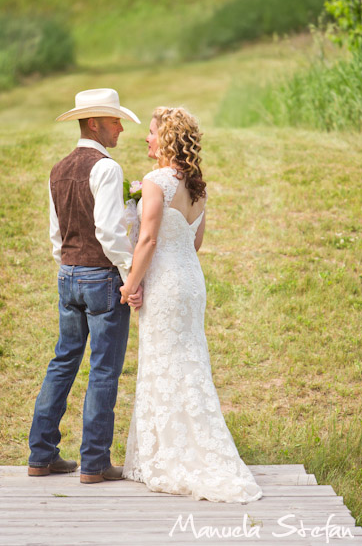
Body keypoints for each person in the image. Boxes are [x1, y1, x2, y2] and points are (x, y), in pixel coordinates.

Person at [119, 106, 263, 503]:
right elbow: (195, 243)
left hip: (164, 283)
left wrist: (130, 284)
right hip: (190, 280)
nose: (146, 138)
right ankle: (195, 447)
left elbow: (147, 241)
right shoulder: (198, 186)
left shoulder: (154, 182)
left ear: (166, 138)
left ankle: (166, 455)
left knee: (162, 361)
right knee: (189, 360)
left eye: (150, 133)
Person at [28, 88, 142, 483]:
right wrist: (130, 276)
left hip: (69, 275)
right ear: (94, 123)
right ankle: (94, 462)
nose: (121, 128)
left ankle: (40, 456)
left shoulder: (58, 168)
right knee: (104, 370)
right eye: (115, 121)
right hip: (102, 278)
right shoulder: (107, 168)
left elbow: (55, 234)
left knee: (62, 362)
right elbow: (110, 233)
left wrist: (68, 268)